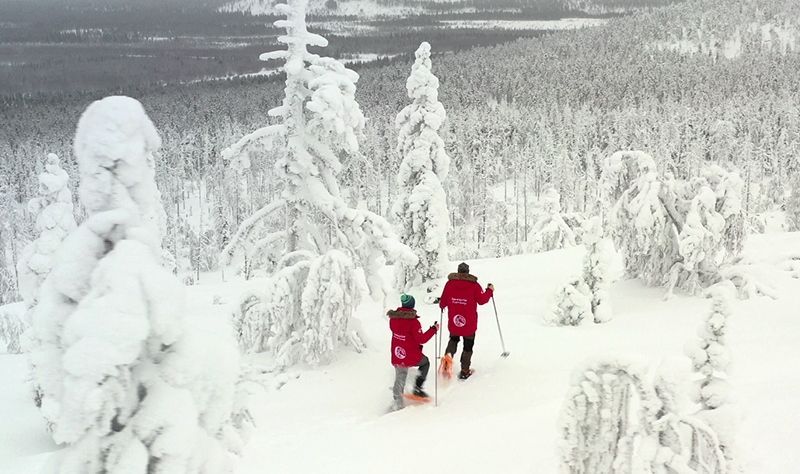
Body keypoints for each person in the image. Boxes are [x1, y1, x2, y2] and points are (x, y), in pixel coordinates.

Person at [438, 262, 494, 380]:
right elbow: (482, 300)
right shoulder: (474, 285)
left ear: (458, 271)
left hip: (454, 321)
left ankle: (448, 359)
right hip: (469, 323)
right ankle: (464, 370)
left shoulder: (450, 284)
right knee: (468, 346)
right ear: (467, 272)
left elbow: (443, 302)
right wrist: (489, 291)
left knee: (453, 340)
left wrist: (443, 305)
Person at [388, 294, 439, 410]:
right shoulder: (413, 322)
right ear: (412, 306)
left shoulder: (393, 319)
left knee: (400, 375)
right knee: (425, 362)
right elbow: (422, 339)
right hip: (411, 355)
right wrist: (433, 329)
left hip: (397, 353)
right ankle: (417, 389)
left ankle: (397, 402)